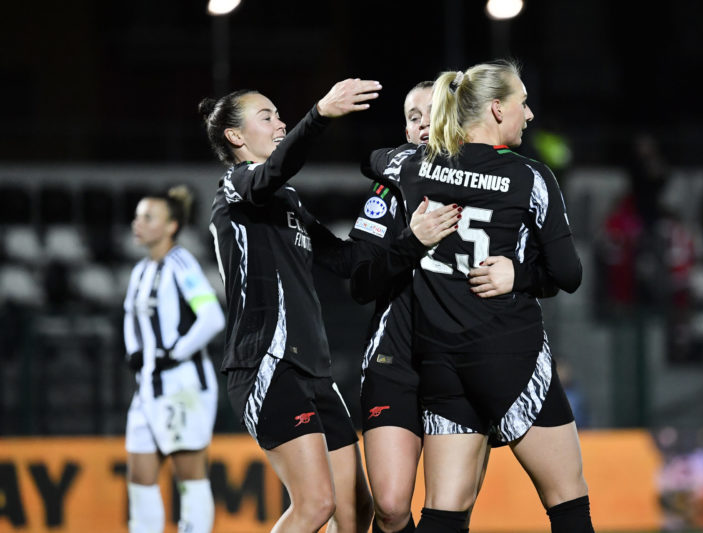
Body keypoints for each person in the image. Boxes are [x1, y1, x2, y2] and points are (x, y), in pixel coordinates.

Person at [364, 60, 593, 533]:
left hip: (441, 360)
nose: (529, 115)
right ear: (495, 108)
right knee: (568, 505)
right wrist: (520, 276)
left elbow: (372, 158)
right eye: (522, 103)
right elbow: (568, 274)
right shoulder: (532, 177)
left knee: (443, 514)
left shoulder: (414, 165)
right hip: (509, 352)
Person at [199, 78, 380, 533]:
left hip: (313, 369)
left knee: (356, 510)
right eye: (268, 116)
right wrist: (318, 114)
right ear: (236, 137)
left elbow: (344, 259)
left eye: (282, 115)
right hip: (268, 362)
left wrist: (401, 221)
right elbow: (274, 171)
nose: (280, 123)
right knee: (316, 506)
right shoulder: (236, 188)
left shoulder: (288, 201)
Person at [123, 185, 225, 533]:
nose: (138, 223)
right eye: (137, 216)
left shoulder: (181, 263)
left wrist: (174, 352)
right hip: (147, 389)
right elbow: (131, 319)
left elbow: (212, 316)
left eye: (148, 217)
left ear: (171, 226)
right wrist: (134, 351)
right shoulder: (140, 271)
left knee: (190, 478)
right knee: (140, 477)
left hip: (183, 387)